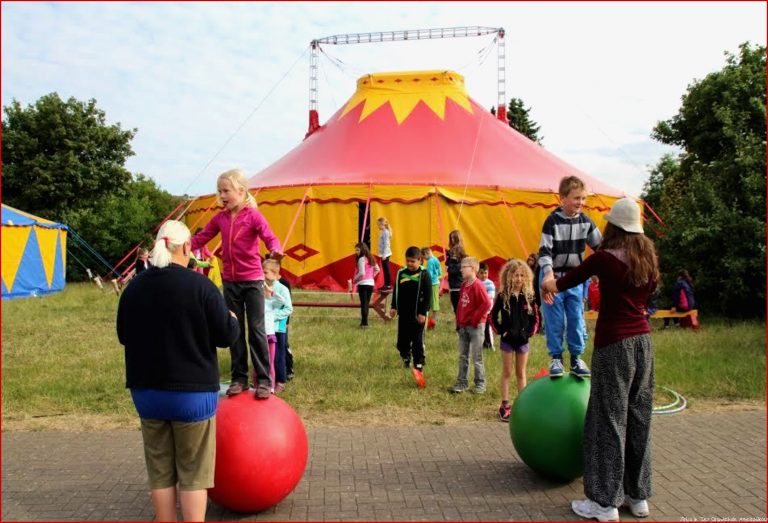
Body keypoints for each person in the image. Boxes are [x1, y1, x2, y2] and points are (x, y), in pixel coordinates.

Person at [542, 197, 658, 522]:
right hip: (644, 344)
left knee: (608, 419)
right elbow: (650, 296)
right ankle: (637, 497)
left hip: (614, 345)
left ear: (613, 226)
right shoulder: (647, 258)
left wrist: (548, 283)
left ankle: (603, 503)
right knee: (639, 417)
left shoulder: (605, 259)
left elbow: (567, 280)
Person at [117, 220, 240, 522]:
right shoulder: (201, 286)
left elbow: (123, 335)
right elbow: (227, 336)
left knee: (160, 470)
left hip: (146, 392)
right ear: (186, 247)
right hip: (192, 396)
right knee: (194, 471)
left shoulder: (134, 288)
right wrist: (233, 319)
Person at [191, 168, 282, 400]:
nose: (221, 195)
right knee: (235, 330)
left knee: (257, 331)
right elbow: (201, 238)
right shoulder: (220, 218)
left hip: (252, 281)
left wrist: (275, 248)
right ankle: (239, 379)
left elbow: (269, 235)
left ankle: (263, 380)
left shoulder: (253, 216)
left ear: (241, 191)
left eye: (226, 190)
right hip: (230, 282)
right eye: (219, 191)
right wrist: (181, 246)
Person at [539, 175, 602, 378]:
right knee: (555, 319)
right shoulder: (552, 222)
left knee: (576, 318)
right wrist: (548, 279)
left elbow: (600, 248)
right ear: (562, 198)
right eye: (576, 198)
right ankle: (556, 358)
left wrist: (599, 271)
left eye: (583, 199)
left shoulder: (586, 222)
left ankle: (576, 358)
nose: (581, 203)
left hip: (575, 278)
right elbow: (545, 252)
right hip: (554, 276)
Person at [491, 259, 538, 422]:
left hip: (523, 342)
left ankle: (522, 404)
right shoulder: (503, 296)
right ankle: (504, 405)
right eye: (515, 275)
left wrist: (529, 333)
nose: (518, 279)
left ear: (526, 277)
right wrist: (502, 332)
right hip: (507, 342)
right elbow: (492, 317)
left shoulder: (529, 296)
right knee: (507, 372)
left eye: (521, 275)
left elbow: (536, 319)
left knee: (521, 373)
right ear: (508, 277)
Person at [450, 256, 491, 394]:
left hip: (476, 327)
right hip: (463, 326)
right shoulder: (463, 285)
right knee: (463, 355)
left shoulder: (477, 285)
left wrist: (475, 320)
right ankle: (462, 382)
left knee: (476, 356)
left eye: (463, 267)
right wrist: (459, 321)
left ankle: (480, 384)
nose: (460, 270)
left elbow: (486, 303)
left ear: (472, 269)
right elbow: (461, 305)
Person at [389, 246, 431, 375]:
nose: (409, 264)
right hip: (404, 314)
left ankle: (418, 365)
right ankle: (406, 356)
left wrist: (423, 313)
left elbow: (428, 295)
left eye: (413, 261)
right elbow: (396, 291)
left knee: (418, 341)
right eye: (407, 261)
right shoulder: (401, 273)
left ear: (420, 260)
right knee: (402, 341)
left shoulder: (424, 274)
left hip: (418, 315)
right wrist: (393, 306)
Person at [263, 258, 292, 393]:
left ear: (275, 274)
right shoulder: (261, 287)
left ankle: (280, 381)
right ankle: (266, 379)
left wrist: (271, 316)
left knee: (278, 355)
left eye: (266, 272)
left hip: (278, 329)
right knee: (266, 355)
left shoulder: (282, 289)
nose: (263, 275)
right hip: (265, 328)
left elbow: (288, 309)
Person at [352, 242, 379, 328]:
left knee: (364, 304)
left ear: (362, 250)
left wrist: (355, 279)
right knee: (366, 303)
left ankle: (364, 323)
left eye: (357, 250)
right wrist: (371, 276)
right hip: (370, 283)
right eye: (356, 250)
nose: (356, 252)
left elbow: (362, 273)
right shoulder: (371, 258)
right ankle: (364, 322)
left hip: (363, 284)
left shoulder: (361, 259)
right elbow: (377, 269)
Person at [445, 230, 467, 316]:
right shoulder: (452, 251)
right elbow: (448, 264)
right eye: (451, 238)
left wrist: (450, 265)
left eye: (454, 238)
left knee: (458, 308)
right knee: (456, 308)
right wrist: (449, 258)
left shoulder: (459, 250)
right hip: (454, 284)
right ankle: (459, 325)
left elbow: (456, 268)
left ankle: (460, 325)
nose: (452, 240)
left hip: (458, 284)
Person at [421, 247, 442, 325]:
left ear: (426, 254)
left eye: (424, 257)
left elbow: (428, 274)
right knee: (434, 298)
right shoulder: (436, 259)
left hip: (432, 283)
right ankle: (434, 315)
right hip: (436, 282)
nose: (424, 259)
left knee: (433, 299)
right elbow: (440, 272)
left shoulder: (430, 261)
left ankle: (434, 317)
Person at [478, 262, 496, 349]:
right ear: (477, 273)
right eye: (481, 273)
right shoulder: (476, 283)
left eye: (485, 273)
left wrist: (481, 298)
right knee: (479, 328)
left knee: (487, 328)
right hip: (478, 311)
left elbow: (491, 295)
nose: (484, 275)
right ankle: (481, 344)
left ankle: (490, 345)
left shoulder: (490, 284)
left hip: (487, 311)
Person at [526, 253, 543, 333]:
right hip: (527, 293)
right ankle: (529, 325)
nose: (530, 262)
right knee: (528, 310)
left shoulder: (538, 271)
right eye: (529, 259)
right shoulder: (526, 270)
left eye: (532, 260)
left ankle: (538, 326)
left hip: (536, 295)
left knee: (536, 311)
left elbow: (536, 284)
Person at [376, 217, 393, 291]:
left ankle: (388, 285)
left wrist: (384, 255)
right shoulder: (383, 232)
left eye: (379, 225)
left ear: (383, 224)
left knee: (386, 270)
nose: (378, 226)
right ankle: (386, 284)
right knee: (385, 269)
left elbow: (386, 244)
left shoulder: (385, 232)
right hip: (383, 253)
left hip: (385, 254)